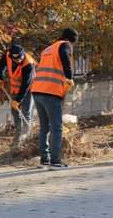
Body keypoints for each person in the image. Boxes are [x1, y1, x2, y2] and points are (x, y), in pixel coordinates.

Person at [31, 28, 78, 169]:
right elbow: (65, 58)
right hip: (50, 92)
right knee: (56, 127)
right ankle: (55, 161)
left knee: (44, 127)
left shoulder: (48, 49)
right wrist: (69, 77)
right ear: (71, 40)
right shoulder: (64, 45)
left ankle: (44, 159)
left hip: (37, 90)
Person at [0, 43, 36, 144]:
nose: (19, 60)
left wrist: (18, 100)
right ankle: (18, 138)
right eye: (17, 59)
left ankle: (27, 137)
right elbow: (1, 65)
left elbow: (26, 84)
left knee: (26, 112)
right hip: (14, 89)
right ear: (11, 56)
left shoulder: (28, 63)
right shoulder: (7, 55)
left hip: (28, 90)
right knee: (15, 113)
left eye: (21, 57)